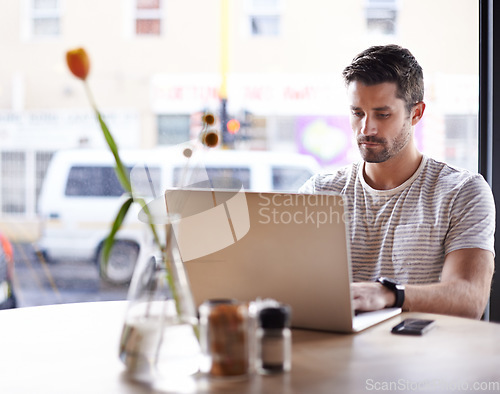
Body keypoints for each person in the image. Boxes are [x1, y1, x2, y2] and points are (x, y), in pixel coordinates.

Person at [299, 44, 495, 319]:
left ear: (416, 113)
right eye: (358, 113)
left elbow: (469, 299)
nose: (367, 128)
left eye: (383, 114)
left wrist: (390, 294)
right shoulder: (320, 191)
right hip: (336, 353)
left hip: (423, 356)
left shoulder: (462, 191)